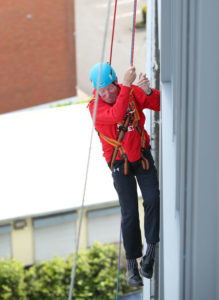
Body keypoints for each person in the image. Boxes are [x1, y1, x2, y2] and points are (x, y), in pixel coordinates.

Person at [88, 62, 160, 287]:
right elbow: (117, 113)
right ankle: (132, 265)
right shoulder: (95, 107)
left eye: (111, 87)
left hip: (141, 155)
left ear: (115, 81)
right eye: (103, 91)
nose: (108, 93)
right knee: (129, 213)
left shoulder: (128, 92)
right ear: (96, 91)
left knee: (153, 200)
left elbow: (157, 104)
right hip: (120, 164)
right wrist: (128, 86)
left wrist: (147, 91)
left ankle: (150, 254)